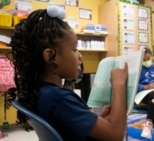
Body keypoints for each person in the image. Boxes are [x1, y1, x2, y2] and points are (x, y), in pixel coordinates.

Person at [7, 7, 128, 141]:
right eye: (74, 48)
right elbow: (116, 135)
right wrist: (119, 84)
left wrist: (96, 120)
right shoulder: (58, 98)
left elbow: (68, 124)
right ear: (50, 56)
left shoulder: (42, 92)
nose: (80, 56)